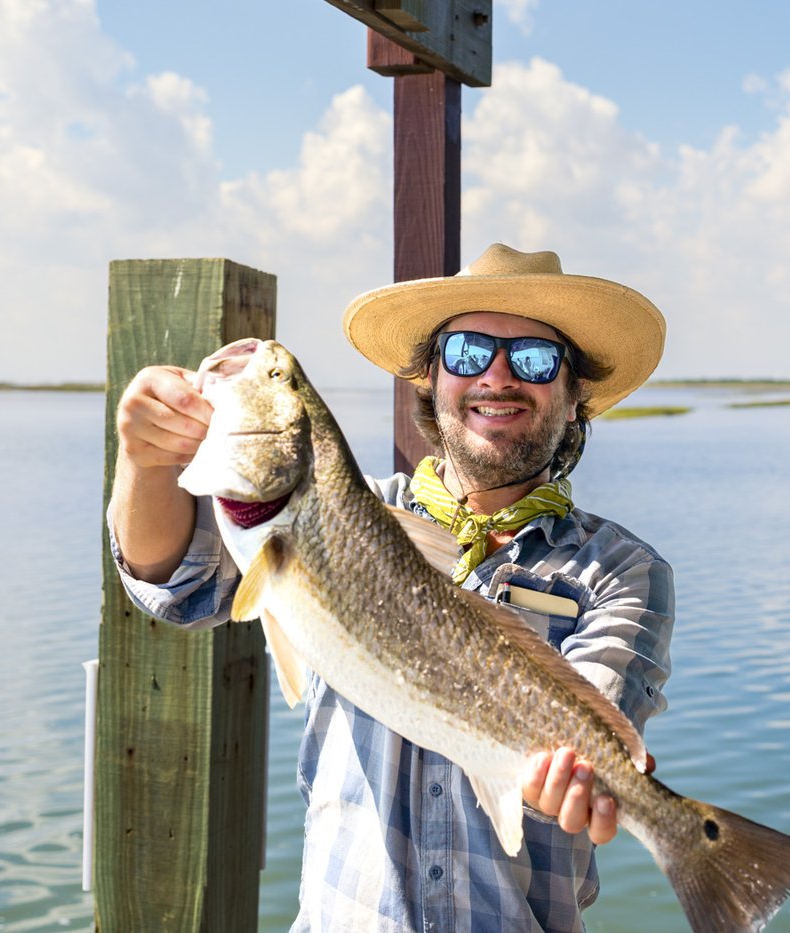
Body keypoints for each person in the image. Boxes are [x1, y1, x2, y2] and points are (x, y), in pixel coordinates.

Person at [107, 243, 675, 932]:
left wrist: (578, 782)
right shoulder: (349, 511)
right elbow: (179, 584)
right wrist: (143, 460)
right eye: (467, 351)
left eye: (533, 358)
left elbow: (594, 733)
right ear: (430, 377)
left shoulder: (621, 570)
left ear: (573, 391)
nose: (497, 376)